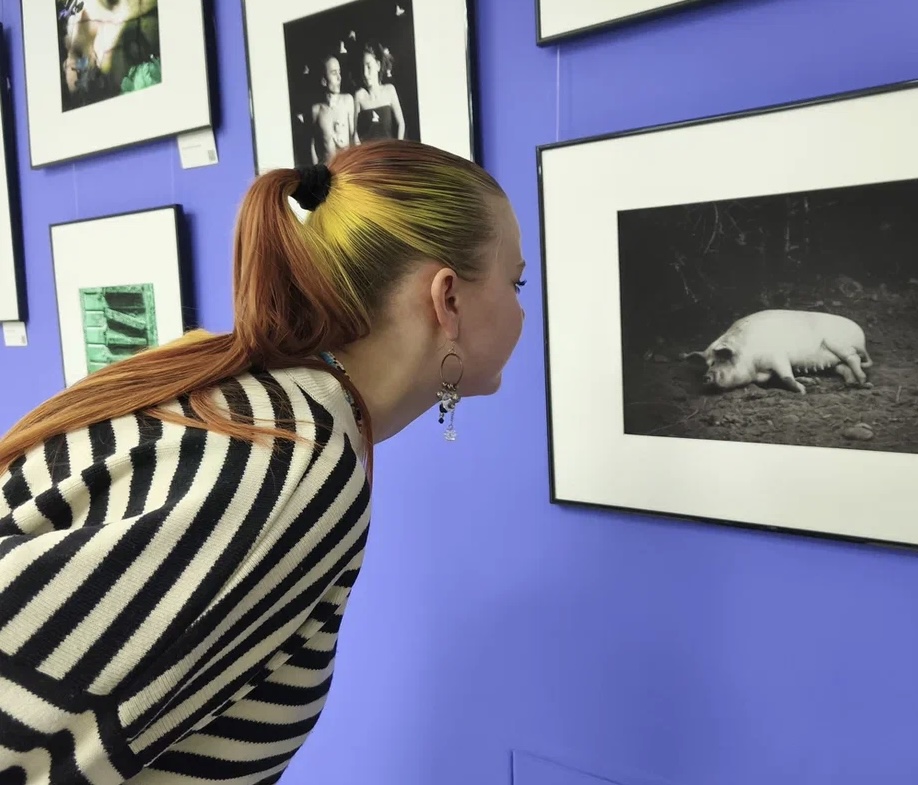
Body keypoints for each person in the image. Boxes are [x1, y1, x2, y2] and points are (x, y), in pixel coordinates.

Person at [0, 139, 526, 783]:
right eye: (515, 281)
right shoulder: (300, 466)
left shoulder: (272, 406)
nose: (521, 307)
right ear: (448, 300)